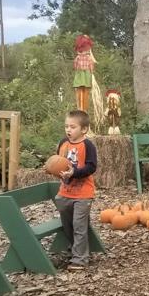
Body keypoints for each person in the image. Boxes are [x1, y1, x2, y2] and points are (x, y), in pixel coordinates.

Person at [54, 110, 99, 268]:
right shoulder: (63, 143)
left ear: (84, 129)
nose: (68, 130)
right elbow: (57, 161)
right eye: (66, 126)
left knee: (79, 226)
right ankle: (75, 249)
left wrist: (75, 172)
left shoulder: (87, 145)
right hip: (64, 193)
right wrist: (52, 169)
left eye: (72, 127)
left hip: (83, 194)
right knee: (68, 225)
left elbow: (91, 167)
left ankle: (80, 260)